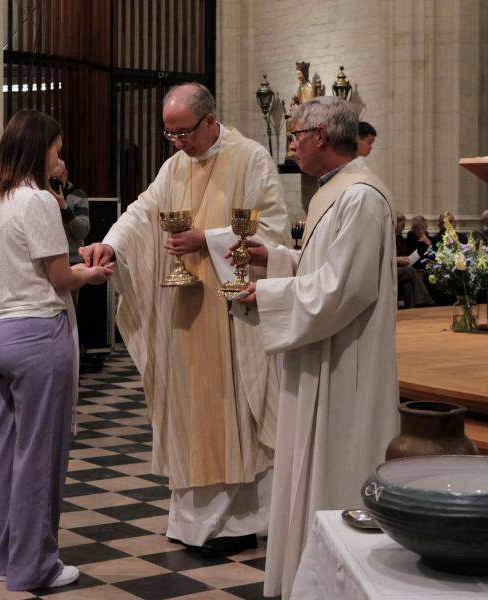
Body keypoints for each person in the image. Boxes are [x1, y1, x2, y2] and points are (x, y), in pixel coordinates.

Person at [79, 83, 289, 557]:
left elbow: (271, 231)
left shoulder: (251, 159)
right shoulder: (174, 166)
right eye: (170, 134)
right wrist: (110, 243)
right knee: (188, 415)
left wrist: (207, 240)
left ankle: (236, 523)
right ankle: (191, 520)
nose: (178, 143)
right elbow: (141, 212)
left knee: (232, 417)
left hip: (231, 316)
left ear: (210, 121)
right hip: (187, 315)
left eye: (184, 133)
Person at [234, 96, 399, 599]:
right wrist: (278, 258)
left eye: (295, 136)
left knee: (334, 463)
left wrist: (268, 294)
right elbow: (323, 266)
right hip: (321, 351)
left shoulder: (361, 197)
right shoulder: (335, 191)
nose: (292, 146)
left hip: (345, 362)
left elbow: (343, 288)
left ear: (320, 136)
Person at [0, 110, 114, 591]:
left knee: (8, 452)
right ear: (39, 152)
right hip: (35, 335)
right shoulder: (36, 201)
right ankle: (36, 567)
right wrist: (91, 274)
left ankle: (8, 558)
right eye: (56, 152)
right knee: (40, 455)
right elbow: (59, 278)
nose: (61, 161)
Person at [49, 159, 90, 307]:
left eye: (56, 179)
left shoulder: (77, 195)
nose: (53, 184)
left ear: (65, 175)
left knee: (69, 312)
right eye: (49, 179)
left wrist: (64, 207)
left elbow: (83, 231)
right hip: (47, 262)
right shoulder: (39, 196)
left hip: (72, 262)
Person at [394, 211, 432, 308]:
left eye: (423, 228)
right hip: (391, 269)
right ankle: (426, 300)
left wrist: (429, 245)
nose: (403, 228)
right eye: (402, 225)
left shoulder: (400, 239)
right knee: (411, 271)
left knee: (407, 285)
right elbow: (384, 257)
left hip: (402, 268)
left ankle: (411, 310)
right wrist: (396, 259)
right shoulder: (390, 239)